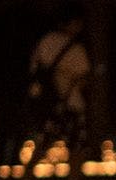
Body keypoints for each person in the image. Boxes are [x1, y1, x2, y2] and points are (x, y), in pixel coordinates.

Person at [26, 6, 90, 144]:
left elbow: (34, 67)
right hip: (71, 102)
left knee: (44, 141)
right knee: (74, 143)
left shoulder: (45, 41)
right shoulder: (76, 48)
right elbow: (83, 77)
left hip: (47, 101)